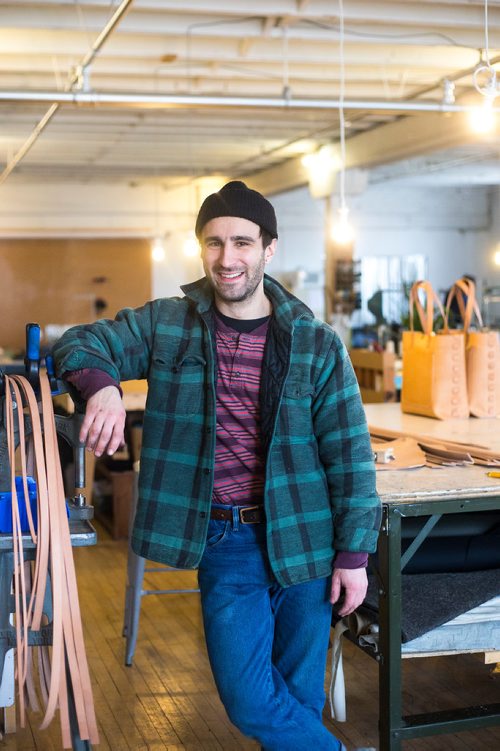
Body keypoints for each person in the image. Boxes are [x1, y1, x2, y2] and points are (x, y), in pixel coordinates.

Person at [53, 181, 381, 751]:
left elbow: (349, 454)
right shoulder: (168, 324)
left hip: (306, 537)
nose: (227, 259)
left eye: (241, 243)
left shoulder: (315, 343)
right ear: (200, 247)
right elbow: (78, 342)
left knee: (297, 702)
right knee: (251, 700)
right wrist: (102, 386)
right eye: (213, 243)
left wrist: (353, 556)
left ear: (268, 248)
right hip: (225, 539)